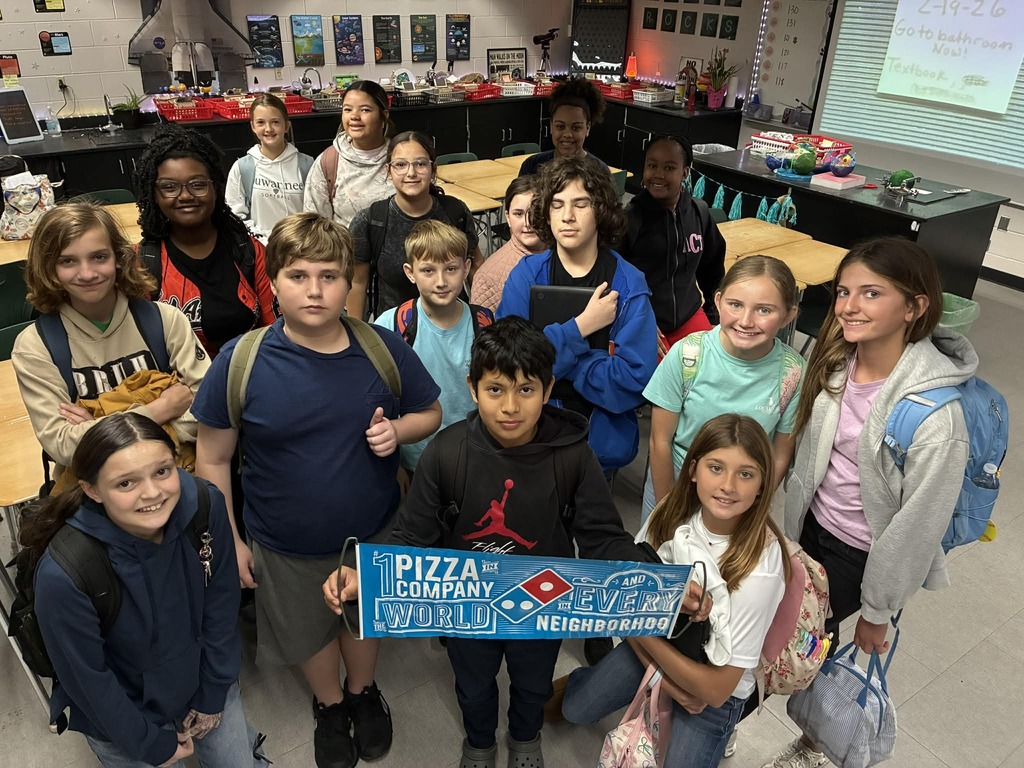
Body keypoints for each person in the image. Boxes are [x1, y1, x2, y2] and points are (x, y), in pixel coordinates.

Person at [323, 317, 702, 768]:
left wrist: (659, 582)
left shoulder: (573, 456)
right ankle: (479, 743)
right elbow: (412, 536)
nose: (510, 406)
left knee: (533, 684)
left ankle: (525, 738)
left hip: (544, 606)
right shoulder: (447, 452)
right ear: (472, 388)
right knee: (473, 685)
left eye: (525, 389)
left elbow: (604, 539)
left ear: (548, 388)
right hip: (466, 606)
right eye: (495, 389)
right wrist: (363, 576)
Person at [192, 212, 442, 768]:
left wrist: (398, 431)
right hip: (284, 542)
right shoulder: (242, 360)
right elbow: (213, 457)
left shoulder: (380, 347)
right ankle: (329, 704)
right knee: (307, 631)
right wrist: (229, 538)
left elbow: (430, 411)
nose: (314, 290)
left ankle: (362, 690)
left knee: (364, 618)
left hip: (373, 531)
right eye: (298, 276)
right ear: (273, 282)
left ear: (348, 282)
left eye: (329, 276)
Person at [761, 237, 974, 768]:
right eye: (843, 292)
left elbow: (915, 529)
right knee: (798, 634)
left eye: (871, 293)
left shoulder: (936, 417)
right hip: (808, 529)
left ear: (915, 306)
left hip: (858, 556)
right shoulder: (836, 361)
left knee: (780, 641)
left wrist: (878, 611)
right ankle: (805, 734)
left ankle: (770, 732)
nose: (849, 306)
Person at [22, 412, 266, 768]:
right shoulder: (65, 574)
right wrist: (148, 744)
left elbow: (221, 601)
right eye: (125, 483)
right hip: (125, 715)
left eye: (162, 471)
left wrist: (214, 690)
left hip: (202, 677)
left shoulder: (204, 504)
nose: (152, 493)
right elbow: (88, 678)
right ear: (92, 490)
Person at [563, 414, 789, 768]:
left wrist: (641, 634)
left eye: (746, 474)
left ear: (763, 485)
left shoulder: (761, 567)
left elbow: (716, 691)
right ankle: (585, 680)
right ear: (694, 469)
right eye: (716, 467)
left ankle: (723, 731)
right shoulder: (671, 513)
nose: (728, 485)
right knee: (575, 709)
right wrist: (667, 683)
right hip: (660, 643)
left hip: (712, 689)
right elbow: (625, 604)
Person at [12, 202, 208, 477]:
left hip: (176, 476)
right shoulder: (35, 347)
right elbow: (62, 444)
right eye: (67, 261)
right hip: (94, 489)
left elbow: (209, 408)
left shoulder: (165, 320)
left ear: (119, 257)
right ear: (48, 268)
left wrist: (99, 426)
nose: (87, 273)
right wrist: (160, 410)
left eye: (99, 257)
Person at [497, 156, 657, 477]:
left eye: (580, 204)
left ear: (601, 211)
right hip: (532, 441)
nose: (567, 216)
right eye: (557, 205)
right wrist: (580, 328)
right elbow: (508, 365)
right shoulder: (526, 276)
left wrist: (553, 362)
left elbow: (634, 381)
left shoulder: (628, 285)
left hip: (600, 452)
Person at [643, 256, 805, 523]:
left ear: (788, 315)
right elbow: (659, 441)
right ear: (718, 301)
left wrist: (755, 506)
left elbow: (780, 454)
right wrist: (666, 511)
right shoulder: (687, 355)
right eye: (735, 304)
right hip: (677, 481)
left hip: (741, 492)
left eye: (764, 310)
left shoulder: (793, 373)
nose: (746, 321)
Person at [133, 123, 277, 358]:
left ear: (215, 188)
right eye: (169, 187)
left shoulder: (249, 252)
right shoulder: (142, 263)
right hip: (178, 379)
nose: (185, 196)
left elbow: (274, 331)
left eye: (198, 184)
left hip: (247, 373)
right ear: (154, 195)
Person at [373, 219, 487, 485]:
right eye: (428, 270)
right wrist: (393, 466)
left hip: (474, 456)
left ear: (466, 268)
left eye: (451, 269)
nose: (441, 281)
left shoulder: (485, 324)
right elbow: (380, 403)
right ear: (410, 272)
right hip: (415, 460)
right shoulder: (391, 326)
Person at [348, 130, 483, 320]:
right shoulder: (372, 220)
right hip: (395, 328)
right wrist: (357, 332)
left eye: (420, 164)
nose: (411, 173)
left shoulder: (454, 212)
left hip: (453, 323)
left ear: (433, 169)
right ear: (388, 171)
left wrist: (481, 321)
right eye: (400, 165)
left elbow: (476, 267)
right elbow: (357, 283)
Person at [619, 135, 727, 355]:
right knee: (662, 373)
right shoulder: (629, 219)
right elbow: (610, 277)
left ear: (685, 172)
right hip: (644, 320)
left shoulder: (699, 213)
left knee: (712, 364)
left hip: (689, 314)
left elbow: (712, 269)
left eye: (669, 167)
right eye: (652, 165)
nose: (658, 174)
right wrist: (634, 319)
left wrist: (714, 312)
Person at [302, 80, 394, 228]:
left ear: (383, 116)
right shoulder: (329, 161)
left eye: (365, 110)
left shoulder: (400, 158)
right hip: (345, 243)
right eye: (348, 109)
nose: (354, 116)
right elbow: (315, 224)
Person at [226, 93, 315, 240]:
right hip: (260, 247)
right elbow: (235, 215)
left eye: (275, 122)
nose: (268, 129)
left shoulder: (307, 165)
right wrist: (261, 241)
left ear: (286, 126)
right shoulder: (242, 168)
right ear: (253, 126)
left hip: (300, 246)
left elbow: (315, 213)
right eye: (261, 122)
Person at [470, 176, 545, 313]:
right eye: (518, 214)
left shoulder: (569, 255)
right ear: (508, 217)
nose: (528, 223)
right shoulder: (488, 277)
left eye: (536, 212)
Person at [518, 78, 609, 177]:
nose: (567, 134)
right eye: (560, 126)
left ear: (587, 128)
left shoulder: (599, 172)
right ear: (551, 126)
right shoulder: (532, 166)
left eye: (576, 127)